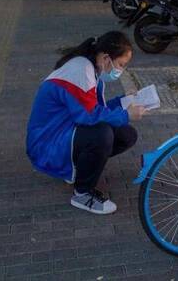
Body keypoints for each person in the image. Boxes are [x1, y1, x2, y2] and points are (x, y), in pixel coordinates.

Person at [26, 31, 145, 214]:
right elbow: (90, 116)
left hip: (64, 131)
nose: (121, 71)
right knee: (102, 134)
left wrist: (124, 101)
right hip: (47, 143)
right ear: (106, 58)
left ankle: (78, 168)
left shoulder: (89, 67)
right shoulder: (82, 71)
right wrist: (125, 115)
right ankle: (82, 193)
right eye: (121, 65)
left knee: (126, 134)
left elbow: (95, 108)